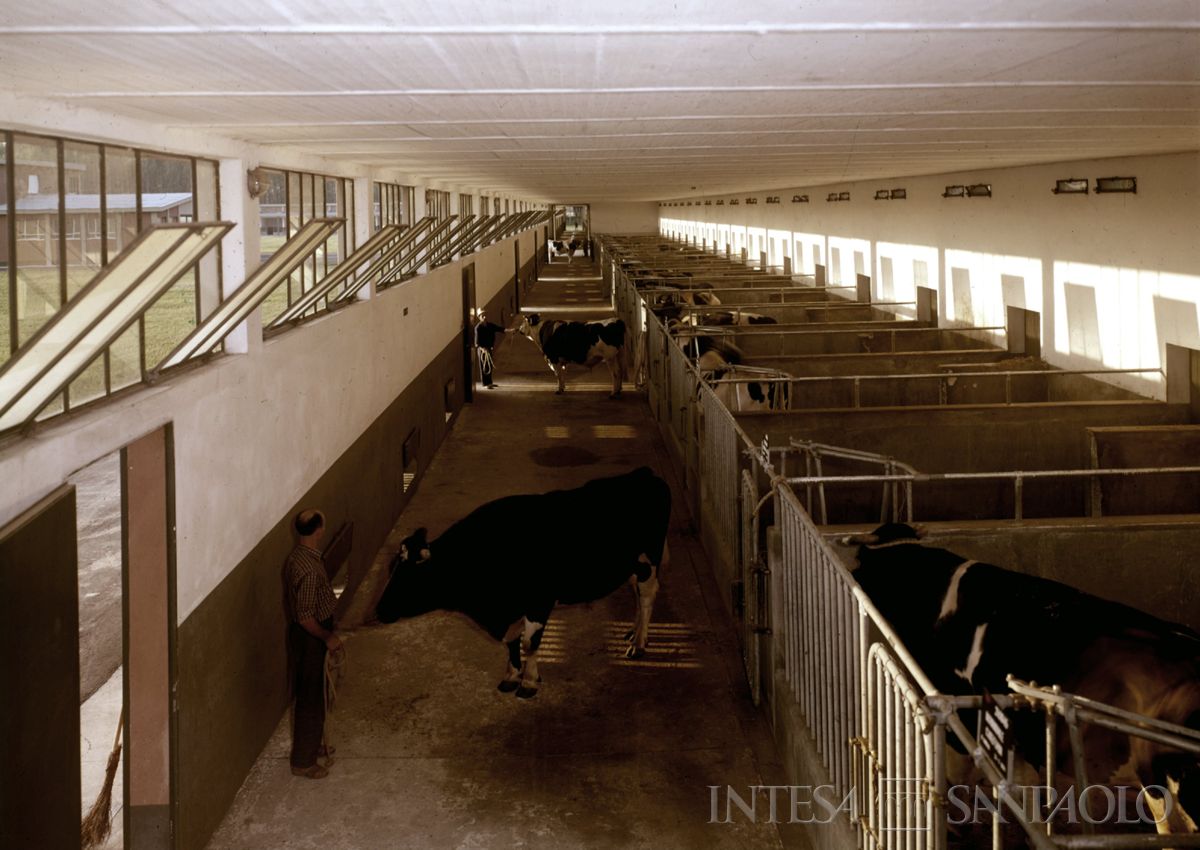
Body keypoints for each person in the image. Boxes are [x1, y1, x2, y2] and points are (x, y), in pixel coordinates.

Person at [283, 509, 342, 779]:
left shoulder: (297, 557)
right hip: (311, 638)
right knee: (310, 699)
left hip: (308, 635)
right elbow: (306, 616)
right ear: (319, 530)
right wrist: (327, 637)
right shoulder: (309, 571)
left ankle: (310, 746)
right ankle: (303, 762)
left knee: (316, 694)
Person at [474, 309, 508, 388]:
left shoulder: (490, 325)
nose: (484, 317)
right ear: (479, 317)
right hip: (482, 350)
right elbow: (477, 343)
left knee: (489, 366)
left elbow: (499, 329)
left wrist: (510, 330)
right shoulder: (478, 328)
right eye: (482, 316)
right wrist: (483, 349)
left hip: (488, 348)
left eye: (485, 315)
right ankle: (485, 384)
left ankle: (489, 382)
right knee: (484, 366)